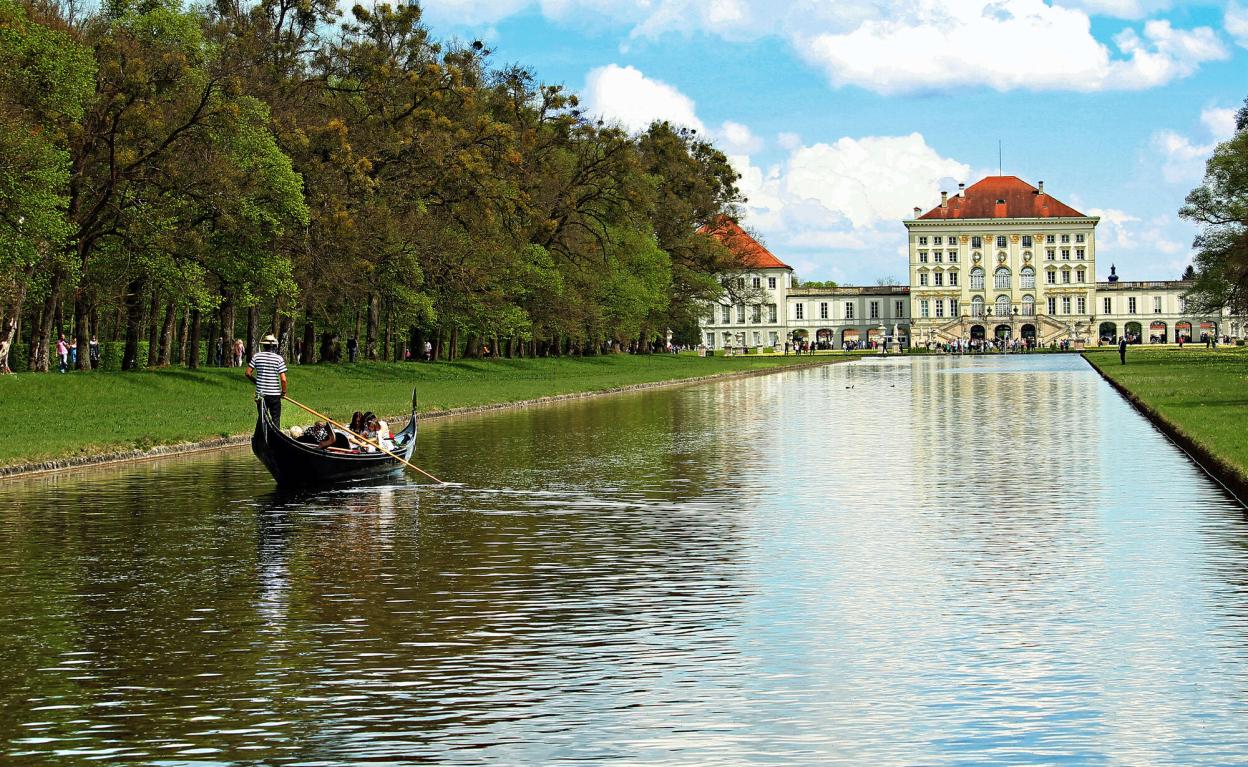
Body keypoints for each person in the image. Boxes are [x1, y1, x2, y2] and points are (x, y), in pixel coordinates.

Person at [246, 333, 288, 426]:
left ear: (263, 345)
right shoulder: (278, 358)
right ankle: (275, 438)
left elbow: (248, 373)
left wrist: (256, 381)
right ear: (274, 346)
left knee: (262, 418)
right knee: (275, 418)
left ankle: (261, 439)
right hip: (274, 394)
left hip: (260, 394)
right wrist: (284, 392)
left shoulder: (256, 357)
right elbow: (283, 379)